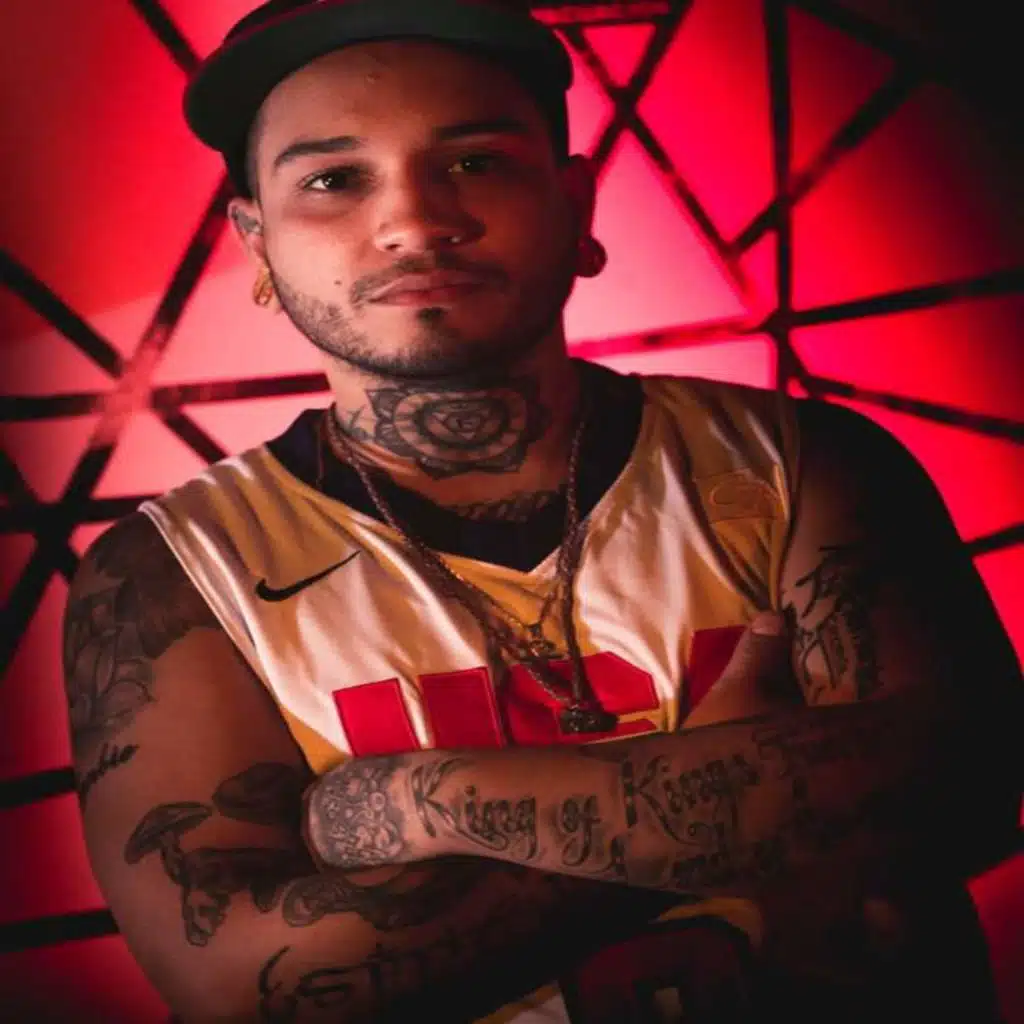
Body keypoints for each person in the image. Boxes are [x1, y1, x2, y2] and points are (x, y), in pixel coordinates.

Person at [62, 1, 1022, 1021]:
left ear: (576, 206)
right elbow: (249, 988)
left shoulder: (801, 463)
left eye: (476, 162)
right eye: (334, 179)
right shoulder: (172, 574)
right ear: (256, 244)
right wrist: (730, 800)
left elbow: (957, 785)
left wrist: (409, 804)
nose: (414, 221)